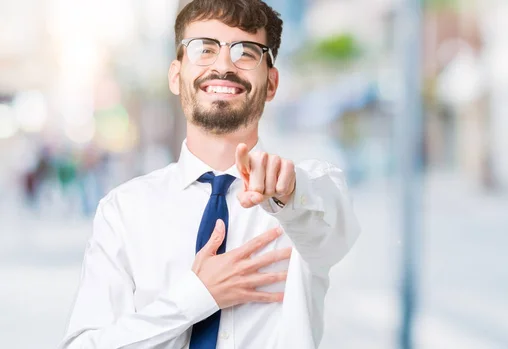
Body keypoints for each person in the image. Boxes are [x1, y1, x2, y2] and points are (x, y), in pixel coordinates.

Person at [59, 1, 360, 348]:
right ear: (176, 75)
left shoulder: (305, 193)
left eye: (246, 52)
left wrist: (290, 194)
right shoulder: (123, 211)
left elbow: (335, 229)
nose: (223, 65)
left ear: (272, 82)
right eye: (204, 49)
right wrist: (196, 296)